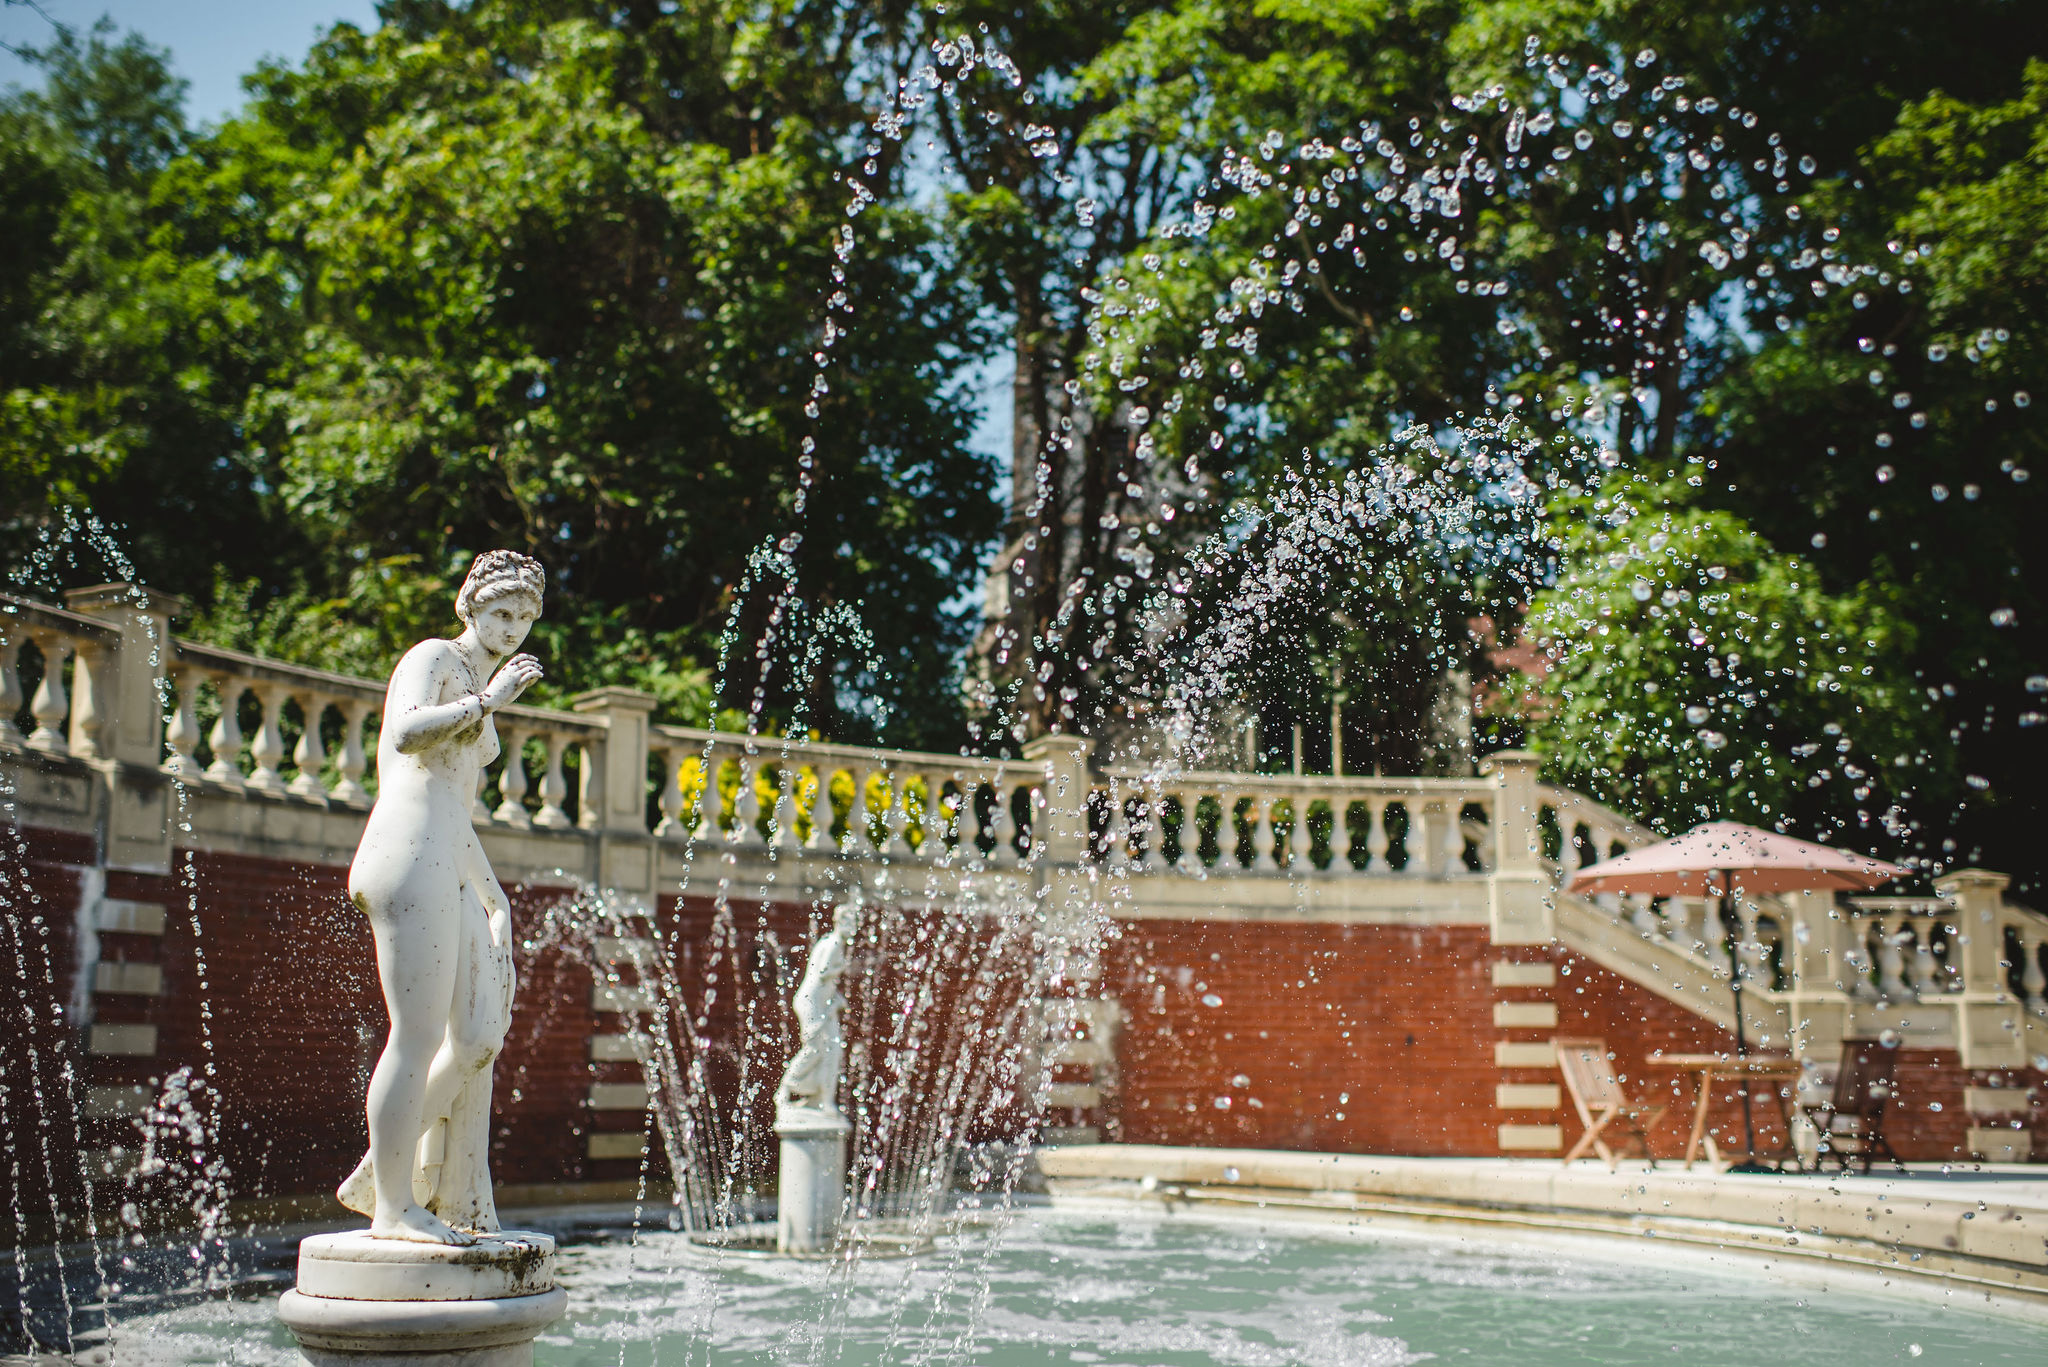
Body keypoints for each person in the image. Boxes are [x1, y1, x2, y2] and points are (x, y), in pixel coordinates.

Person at [336, 550, 545, 1244]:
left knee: (480, 1033)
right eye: (499, 613)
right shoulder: (433, 658)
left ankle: (381, 1172)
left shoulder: (478, 691)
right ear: (470, 608)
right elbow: (402, 734)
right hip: (406, 849)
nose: (511, 627)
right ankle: (396, 1206)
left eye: (523, 616)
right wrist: (488, 701)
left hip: (447, 852)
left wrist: (496, 899)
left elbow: (458, 806)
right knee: (420, 1033)